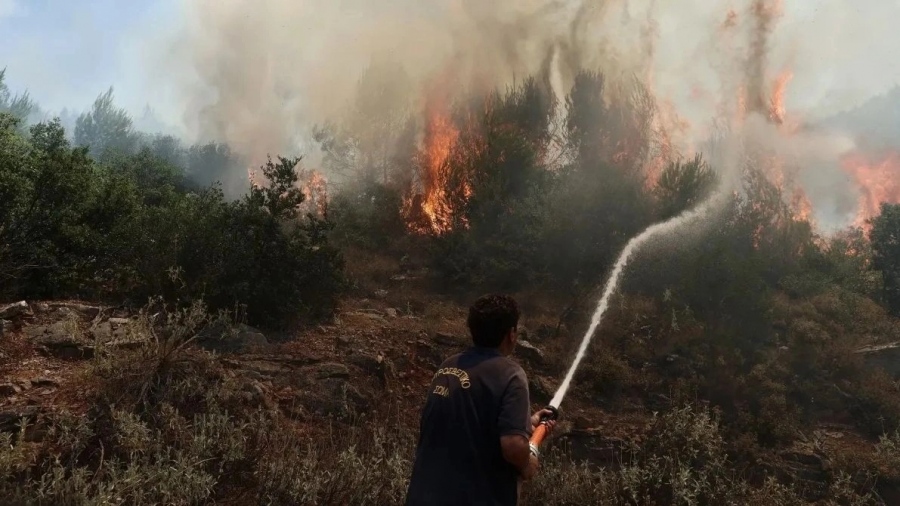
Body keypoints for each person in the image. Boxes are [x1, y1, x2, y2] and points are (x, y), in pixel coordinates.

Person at [405, 294, 557, 506]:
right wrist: (527, 463)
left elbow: (467, 419)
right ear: (511, 334)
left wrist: (525, 424)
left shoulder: (448, 367)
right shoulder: (511, 374)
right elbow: (513, 446)